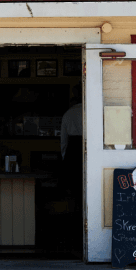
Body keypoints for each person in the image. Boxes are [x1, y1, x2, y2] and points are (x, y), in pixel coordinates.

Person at [60, 85, 83, 251]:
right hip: (85, 148)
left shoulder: (68, 114)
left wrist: (64, 156)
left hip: (73, 151)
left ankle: (74, 218)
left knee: (74, 189)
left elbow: (63, 139)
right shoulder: (91, 112)